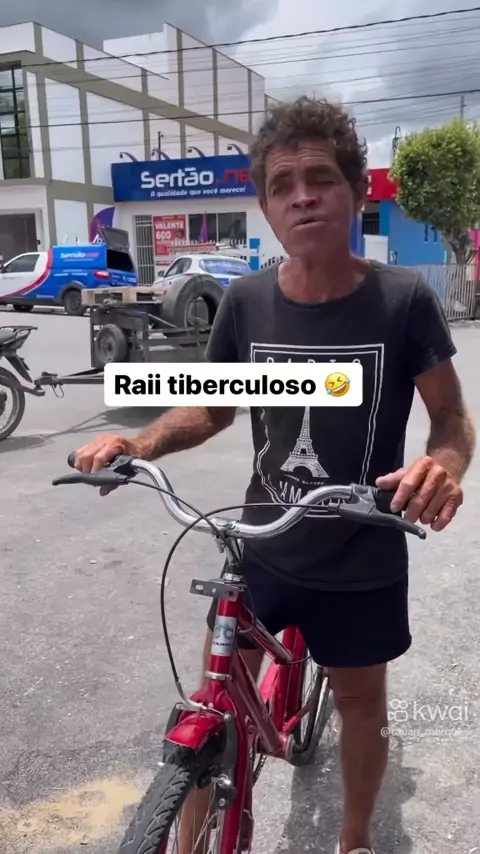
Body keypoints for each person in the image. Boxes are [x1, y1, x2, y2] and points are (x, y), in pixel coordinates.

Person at [73, 97, 476, 854]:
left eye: (321, 179)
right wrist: (140, 443)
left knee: (362, 707)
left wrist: (443, 466)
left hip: (363, 553)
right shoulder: (248, 300)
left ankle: (354, 838)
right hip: (262, 544)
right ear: (265, 206)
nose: (302, 197)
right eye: (283, 185)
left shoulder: (403, 301)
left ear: (355, 191)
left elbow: (451, 418)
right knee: (213, 704)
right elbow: (212, 407)